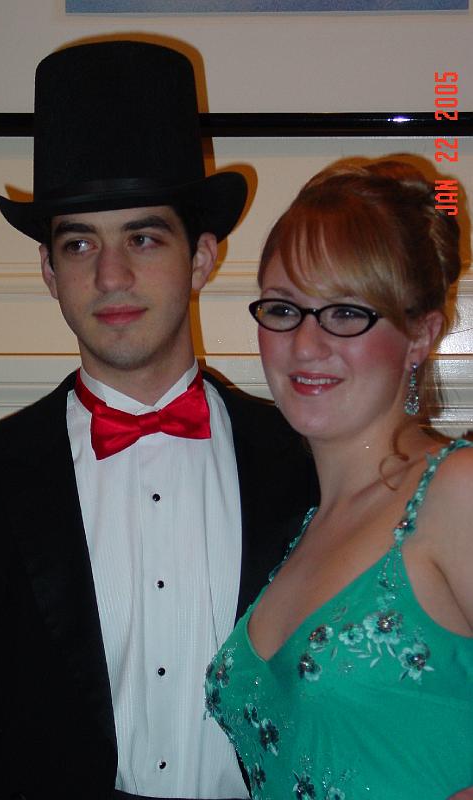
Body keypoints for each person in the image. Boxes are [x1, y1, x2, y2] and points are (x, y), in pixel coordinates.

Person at [0, 42, 317, 800]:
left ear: (201, 259)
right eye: (80, 243)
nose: (110, 276)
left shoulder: (311, 465)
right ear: (49, 272)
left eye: (143, 238)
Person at [206, 159, 473, 800]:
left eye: (347, 313)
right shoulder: (302, 525)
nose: (304, 345)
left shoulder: (456, 490)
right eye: (284, 308)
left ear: (420, 334)